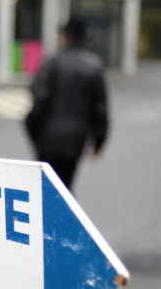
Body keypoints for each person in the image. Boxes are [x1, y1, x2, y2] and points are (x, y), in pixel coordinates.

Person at [25, 16, 108, 189]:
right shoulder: (93, 65)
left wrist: (32, 130)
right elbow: (100, 108)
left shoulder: (52, 62)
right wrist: (98, 142)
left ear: (66, 36)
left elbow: (38, 99)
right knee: (65, 189)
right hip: (76, 140)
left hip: (47, 138)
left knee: (45, 190)